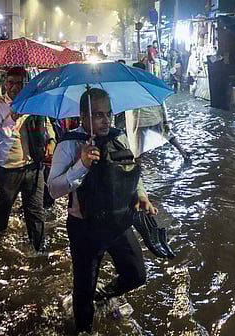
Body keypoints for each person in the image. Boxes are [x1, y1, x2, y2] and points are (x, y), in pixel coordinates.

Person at [47, 88, 157, 334]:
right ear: (83, 117)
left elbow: (130, 171)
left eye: (108, 113)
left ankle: (103, 295)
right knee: (83, 289)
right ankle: (84, 328)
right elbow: (53, 189)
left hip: (118, 223)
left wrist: (141, 196)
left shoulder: (119, 136)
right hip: (84, 228)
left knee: (136, 274)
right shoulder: (69, 144)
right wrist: (81, 165)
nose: (106, 120)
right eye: (98, 115)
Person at [0, 67, 55, 252]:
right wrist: (11, 118)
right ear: (5, 83)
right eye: (11, 82)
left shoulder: (34, 102)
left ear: (25, 84)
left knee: (35, 211)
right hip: (8, 168)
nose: (14, 87)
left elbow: (46, 124)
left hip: (34, 165)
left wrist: (51, 141)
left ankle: (38, 250)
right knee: (5, 206)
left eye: (19, 83)